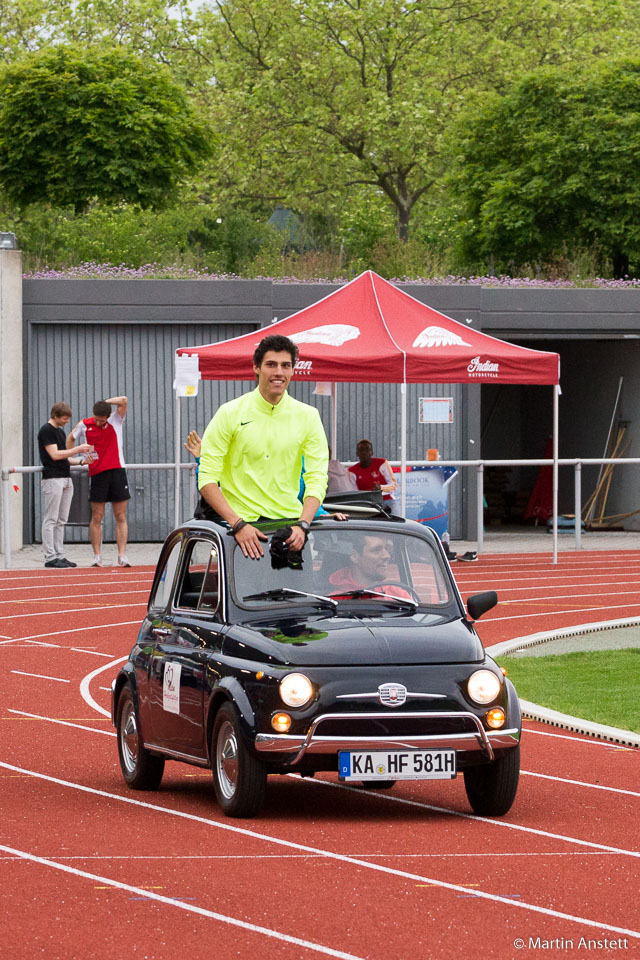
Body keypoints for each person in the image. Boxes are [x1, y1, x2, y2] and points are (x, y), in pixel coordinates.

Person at [198, 334, 328, 559]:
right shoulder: (229, 413)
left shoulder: (309, 416)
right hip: (239, 532)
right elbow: (207, 478)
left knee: (297, 596)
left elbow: (317, 478)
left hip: (290, 531)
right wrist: (237, 525)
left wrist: (303, 525)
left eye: (285, 365)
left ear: (293, 370)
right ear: (256, 368)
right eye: (271, 365)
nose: (279, 372)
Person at [67, 395, 131, 567]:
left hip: (117, 471)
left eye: (103, 420)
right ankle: (97, 556)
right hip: (97, 473)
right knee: (96, 516)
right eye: (97, 419)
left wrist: (105, 403)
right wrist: (71, 456)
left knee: (120, 515)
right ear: (93, 415)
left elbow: (124, 400)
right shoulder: (84, 424)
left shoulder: (116, 420)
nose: (99, 423)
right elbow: (71, 437)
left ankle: (122, 555)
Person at [38, 401, 92, 568]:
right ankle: (50, 556)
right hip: (53, 478)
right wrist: (77, 450)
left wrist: (82, 462)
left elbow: (64, 457)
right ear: (55, 416)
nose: (67, 421)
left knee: (61, 519)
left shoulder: (60, 432)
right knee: (51, 518)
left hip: (65, 477)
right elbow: (54, 455)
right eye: (64, 418)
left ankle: (59, 554)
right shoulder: (46, 431)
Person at [328, 535, 412, 599]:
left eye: (387, 549)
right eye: (376, 550)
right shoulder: (335, 600)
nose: (387, 556)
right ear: (355, 556)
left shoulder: (399, 596)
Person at [348, 439, 400, 514]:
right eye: (361, 450)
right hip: (367, 504)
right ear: (357, 453)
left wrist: (380, 488)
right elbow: (354, 493)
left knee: (397, 520)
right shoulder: (352, 471)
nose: (364, 452)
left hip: (387, 500)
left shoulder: (382, 463)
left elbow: (394, 485)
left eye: (367, 450)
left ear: (372, 452)